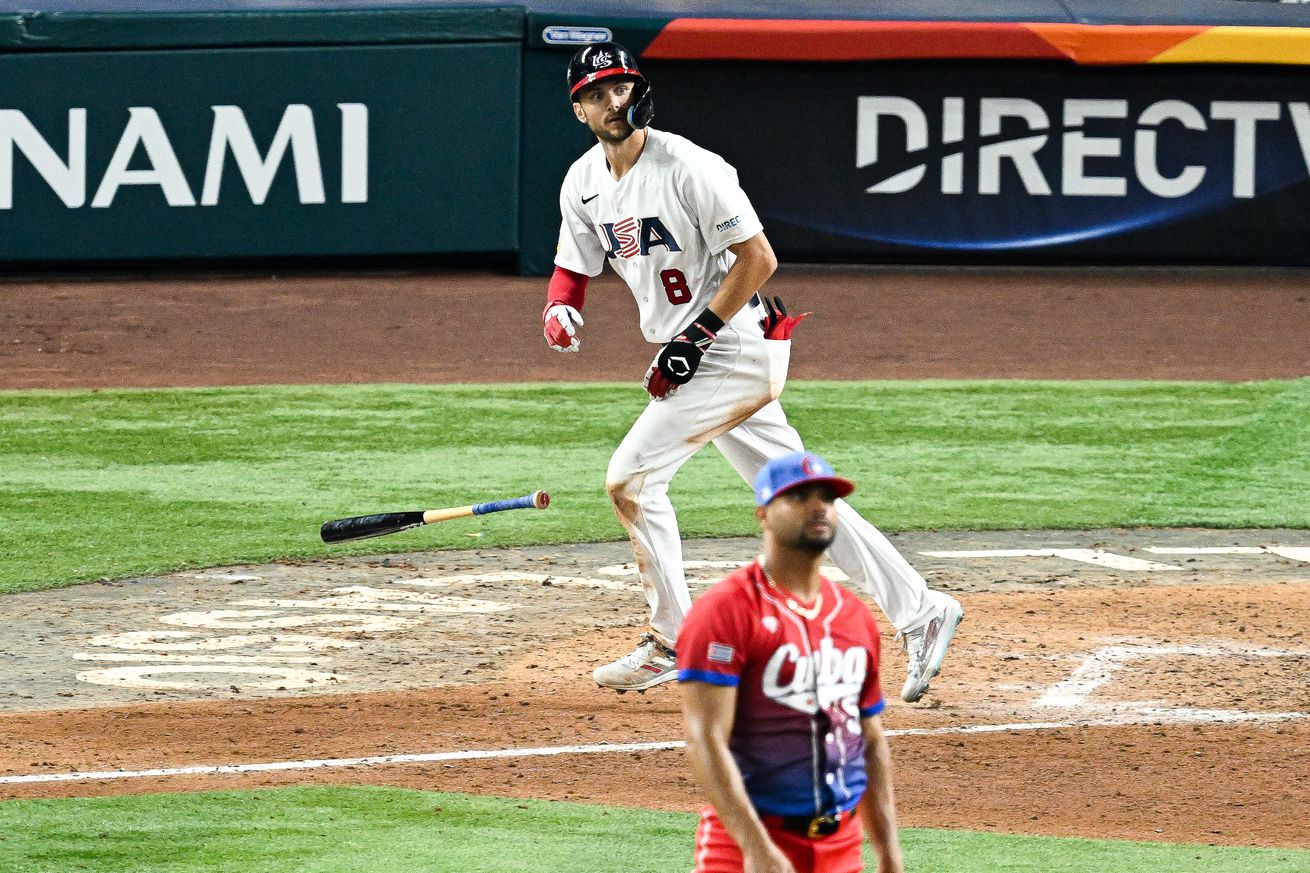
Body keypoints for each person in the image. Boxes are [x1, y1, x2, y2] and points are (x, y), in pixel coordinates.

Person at [543, 42, 962, 703]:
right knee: (799, 503)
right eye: (597, 94)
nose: (612, 101)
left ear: (638, 91)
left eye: (621, 87)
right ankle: (922, 608)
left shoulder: (690, 167)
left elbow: (758, 258)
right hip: (709, 346)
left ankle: (670, 639)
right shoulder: (583, 182)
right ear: (579, 110)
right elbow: (574, 262)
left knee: (631, 479)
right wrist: (560, 305)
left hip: (740, 338)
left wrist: (695, 337)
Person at [678, 452, 904, 873]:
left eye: (827, 497)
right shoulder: (725, 610)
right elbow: (705, 738)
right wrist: (757, 849)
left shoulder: (854, 616)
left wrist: (889, 852)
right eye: (798, 496)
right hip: (747, 843)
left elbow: (869, 738)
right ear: (762, 514)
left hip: (841, 846)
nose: (818, 506)